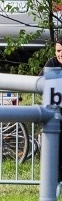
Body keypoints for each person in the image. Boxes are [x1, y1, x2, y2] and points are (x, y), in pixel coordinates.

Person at [42, 35, 62, 184]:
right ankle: (55, 182)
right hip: (55, 115)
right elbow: (39, 82)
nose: (60, 54)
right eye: (58, 51)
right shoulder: (52, 63)